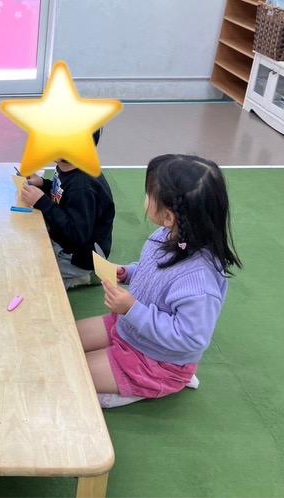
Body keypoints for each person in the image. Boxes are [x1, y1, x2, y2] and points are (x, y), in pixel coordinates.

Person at [75, 154, 242, 408]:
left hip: (157, 362)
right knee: (68, 338)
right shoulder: (167, 235)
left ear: (169, 216)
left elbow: (190, 338)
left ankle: (146, 386)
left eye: (149, 195)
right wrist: (128, 272)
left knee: (72, 374)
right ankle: (123, 379)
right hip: (129, 329)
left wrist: (132, 309)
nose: (145, 198)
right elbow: (155, 271)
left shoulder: (199, 282)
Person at [20, 129, 115, 289]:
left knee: (32, 277)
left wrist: (43, 202)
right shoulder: (67, 166)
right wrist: (43, 184)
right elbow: (62, 193)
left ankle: (85, 275)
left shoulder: (82, 186)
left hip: (81, 257)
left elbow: (76, 235)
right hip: (70, 243)